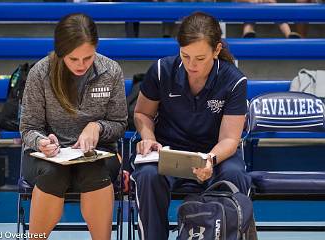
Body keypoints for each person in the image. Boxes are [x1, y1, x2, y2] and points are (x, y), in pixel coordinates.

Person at [131, 12, 254, 239]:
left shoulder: (234, 80)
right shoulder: (161, 70)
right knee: (147, 176)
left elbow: (229, 139)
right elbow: (142, 113)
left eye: (200, 58)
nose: (191, 64)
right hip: (169, 153)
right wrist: (148, 136)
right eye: (185, 56)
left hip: (216, 155)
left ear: (216, 50)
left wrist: (210, 159)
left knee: (236, 175)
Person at [20, 13, 127, 240]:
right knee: (53, 174)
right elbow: (28, 127)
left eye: (87, 58)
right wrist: (41, 142)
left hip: (98, 154)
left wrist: (97, 127)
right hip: (46, 157)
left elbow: (119, 124)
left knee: (95, 172)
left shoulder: (111, 71)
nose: (81, 65)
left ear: (96, 49)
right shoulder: (40, 73)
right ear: (60, 52)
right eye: (73, 59)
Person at [236, 0, 301, 38]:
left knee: (276, 9)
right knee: (250, 11)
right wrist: (251, 1)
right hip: (248, 8)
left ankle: (289, 35)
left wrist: (267, 1)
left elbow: (273, 1)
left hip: (265, 7)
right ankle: (247, 33)